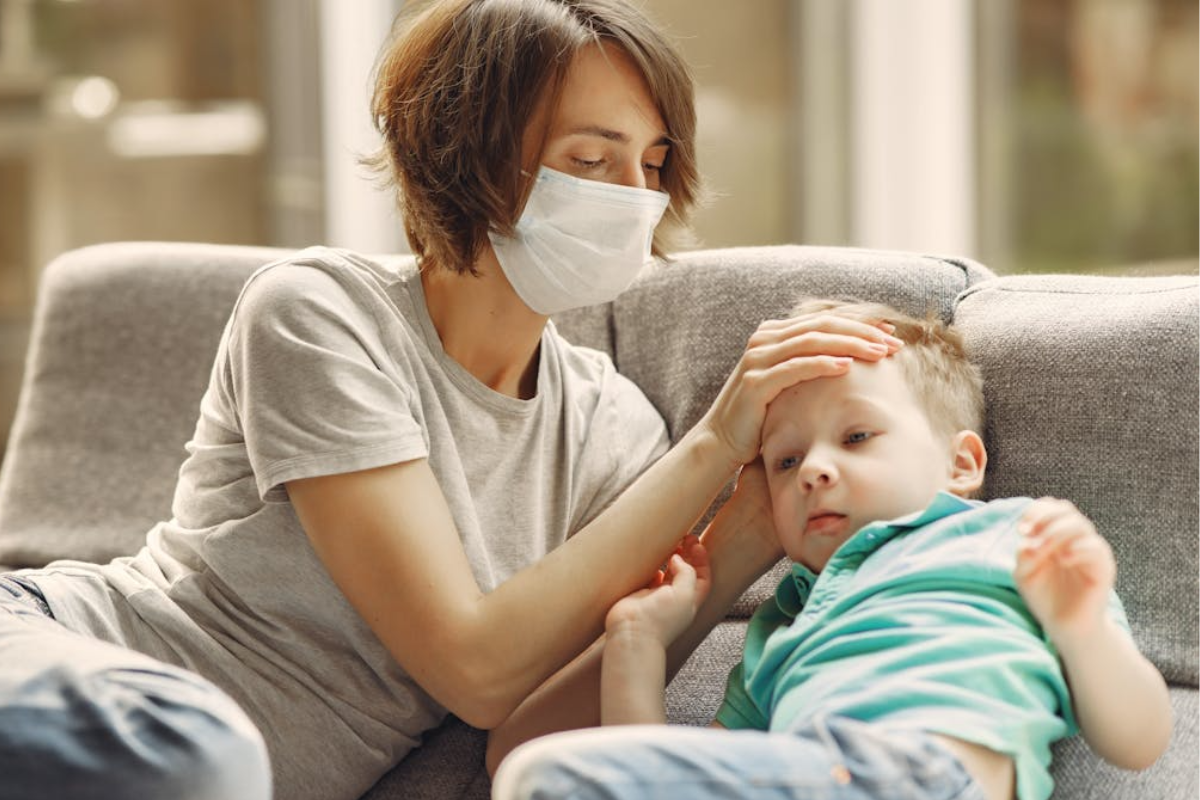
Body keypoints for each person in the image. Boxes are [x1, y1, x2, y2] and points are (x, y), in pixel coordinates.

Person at [0, 4, 903, 799]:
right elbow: (472, 667)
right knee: (192, 754)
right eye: (592, 159)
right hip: (71, 659)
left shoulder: (617, 432)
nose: (637, 200)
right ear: (465, 156)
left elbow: (525, 744)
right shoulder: (320, 314)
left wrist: (739, 537)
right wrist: (712, 445)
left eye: (653, 164)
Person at [491, 298, 1173, 800]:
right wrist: (637, 643)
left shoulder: (1016, 540)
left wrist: (1079, 626)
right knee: (549, 777)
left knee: (545, 779)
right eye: (785, 462)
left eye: (856, 438)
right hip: (816, 771)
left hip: (919, 773)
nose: (814, 470)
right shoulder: (783, 627)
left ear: (961, 463)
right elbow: (660, 773)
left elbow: (1140, 741)